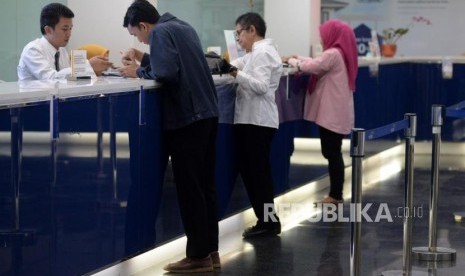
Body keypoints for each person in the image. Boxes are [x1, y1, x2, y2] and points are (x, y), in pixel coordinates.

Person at [118, 0, 219, 273]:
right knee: (206, 187)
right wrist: (144, 58)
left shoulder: (161, 32)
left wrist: (136, 71)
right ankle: (211, 250)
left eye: (137, 34)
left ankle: (197, 256)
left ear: (144, 25)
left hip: (187, 119)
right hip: (208, 114)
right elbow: (179, 61)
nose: (140, 40)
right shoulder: (182, 26)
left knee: (190, 190)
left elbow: (166, 73)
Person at [283, 19, 358, 204]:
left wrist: (291, 60)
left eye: (324, 35)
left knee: (332, 153)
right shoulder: (339, 53)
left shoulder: (333, 53)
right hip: (336, 112)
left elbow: (313, 66)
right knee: (333, 152)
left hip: (332, 114)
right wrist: (298, 57)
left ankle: (335, 195)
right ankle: (336, 193)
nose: (322, 39)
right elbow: (317, 62)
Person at [228, 12, 282, 239]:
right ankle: (265, 220)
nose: (237, 39)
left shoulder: (263, 52)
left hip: (257, 122)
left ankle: (269, 222)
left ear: (252, 30)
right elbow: (234, 65)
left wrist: (235, 74)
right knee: (253, 173)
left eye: (239, 33)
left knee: (258, 174)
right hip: (251, 121)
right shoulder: (253, 53)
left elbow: (260, 86)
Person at [17, 3, 112, 81]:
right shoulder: (33, 50)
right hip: (35, 102)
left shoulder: (62, 51)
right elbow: (50, 79)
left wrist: (95, 72)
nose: (69, 34)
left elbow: (68, 80)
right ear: (48, 30)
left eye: (70, 29)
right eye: (65, 29)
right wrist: (88, 65)